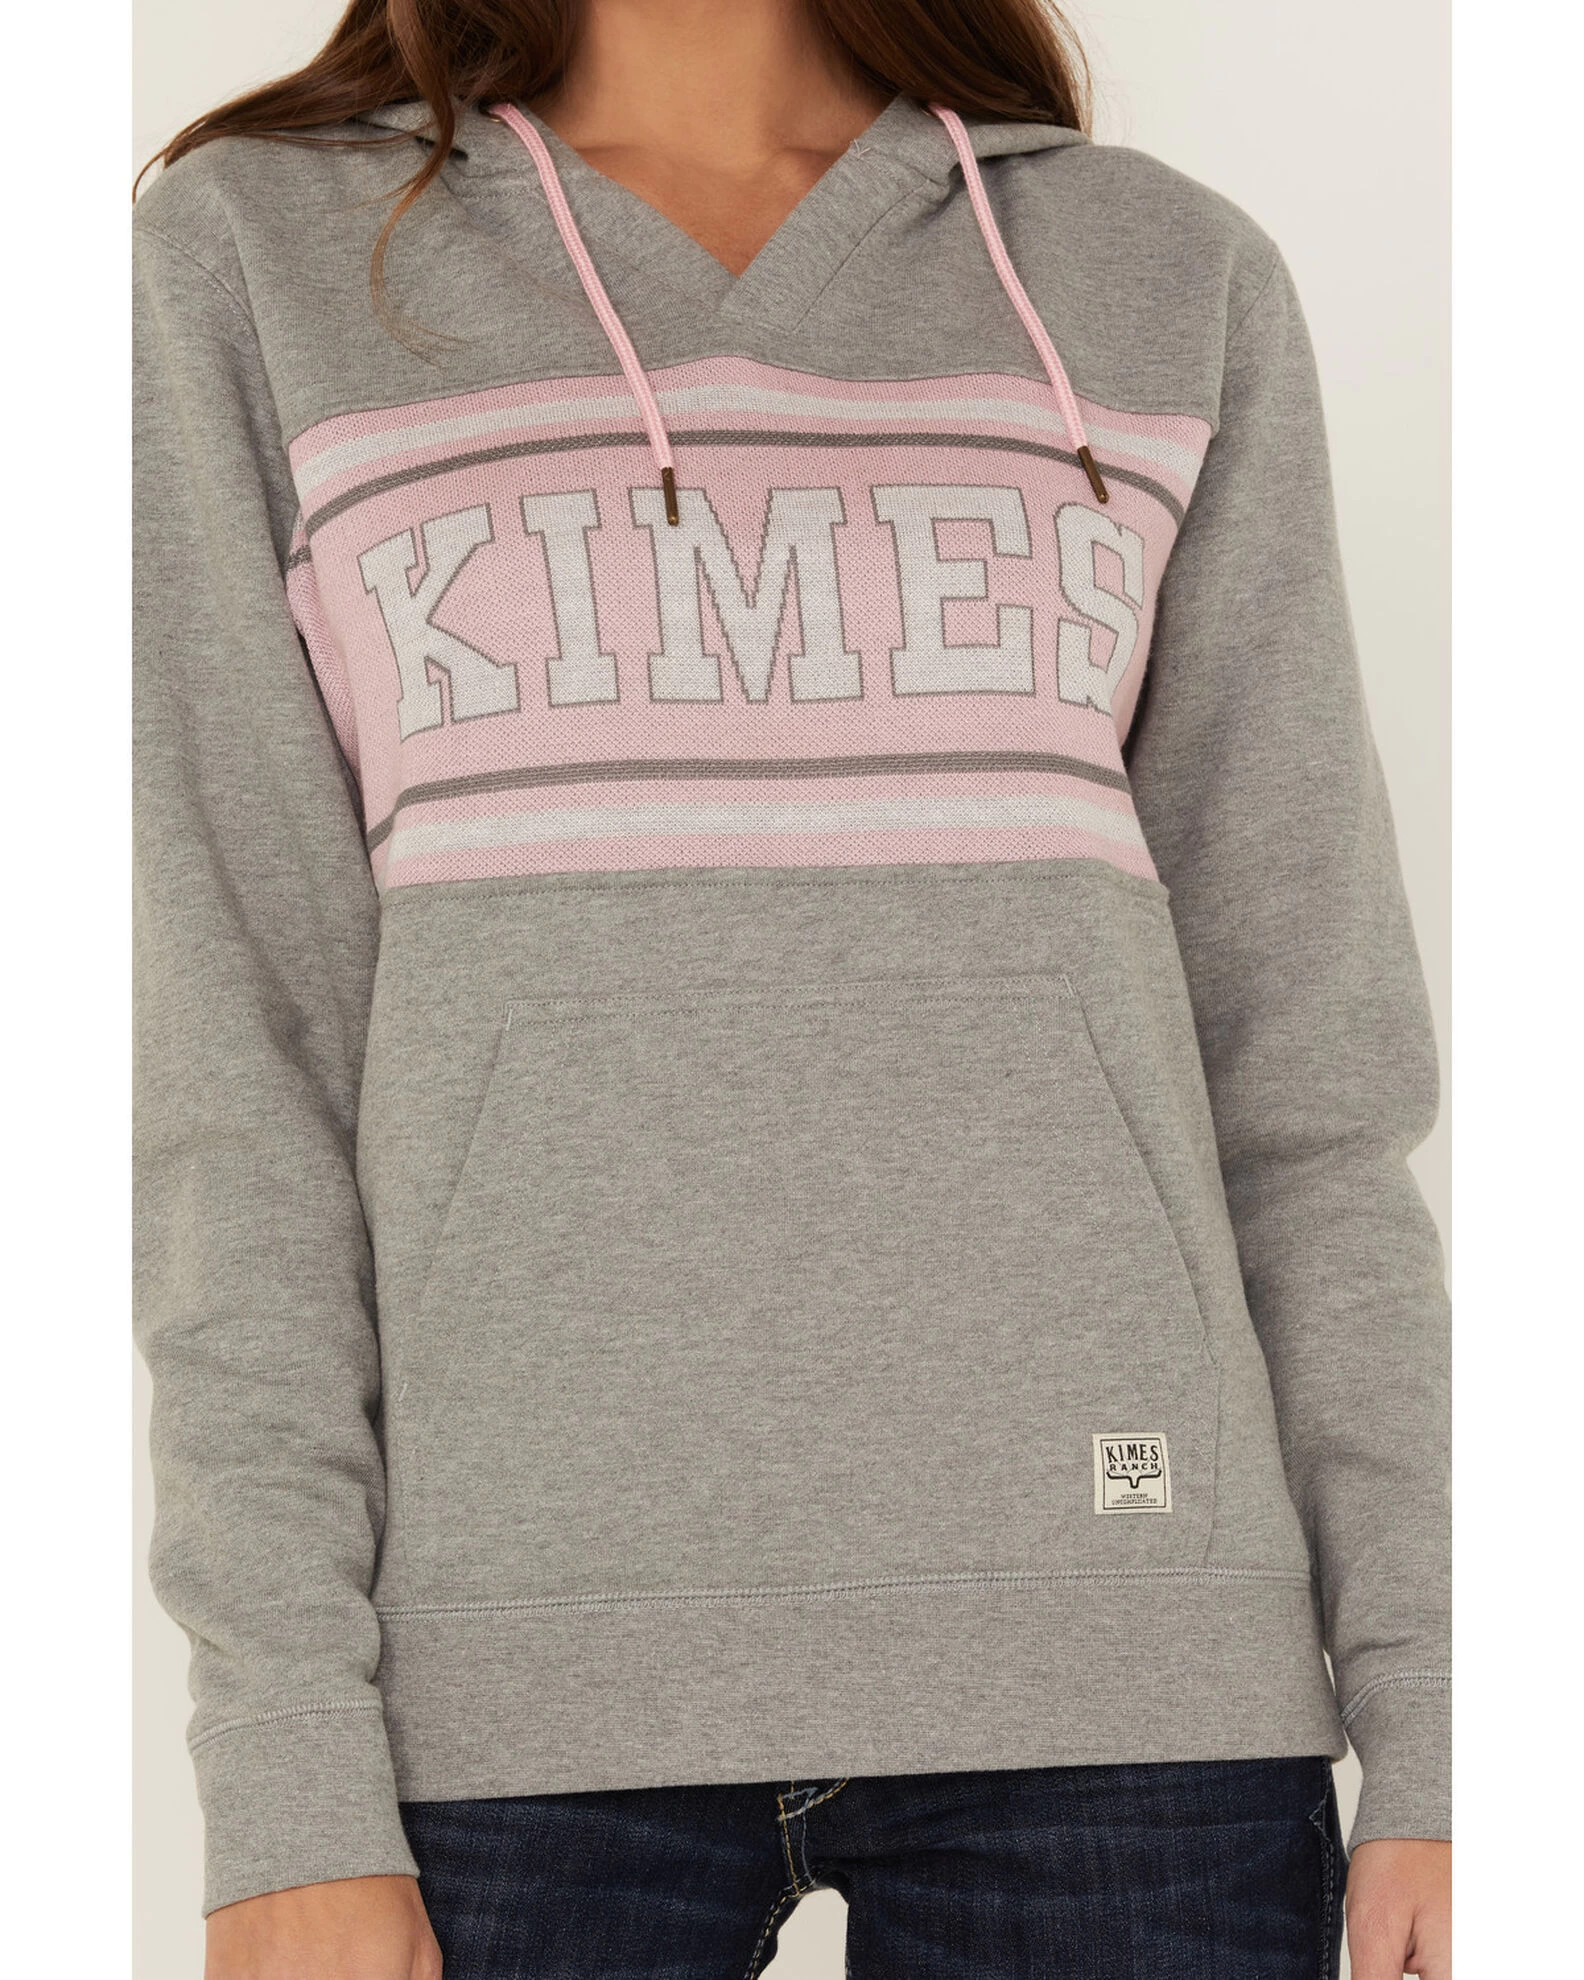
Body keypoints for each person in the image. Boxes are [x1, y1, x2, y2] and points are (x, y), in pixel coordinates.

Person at [132, 2, 1452, 1975]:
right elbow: (240, 1077)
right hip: (498, 1695)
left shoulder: (1160, 276)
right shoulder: (261, 258)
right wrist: (280, 1762)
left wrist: (1449, 1715)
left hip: (1132, 1681)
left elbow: (1311, 1082)